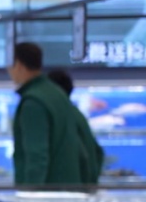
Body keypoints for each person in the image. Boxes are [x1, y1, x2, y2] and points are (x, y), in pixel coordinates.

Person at [8, 43, 90, 187]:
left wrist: (28, 193)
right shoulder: (57, 94)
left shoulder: (33, 103)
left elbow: (37, 156)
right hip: (69, 187)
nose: (8, 70)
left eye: (10, 65)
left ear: (19, 65)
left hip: (49, 192)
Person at [47, 67, 105, 185]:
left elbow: (82, 154)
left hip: (69, 188)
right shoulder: (77, 115)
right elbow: (98, 153)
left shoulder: (61, 116)